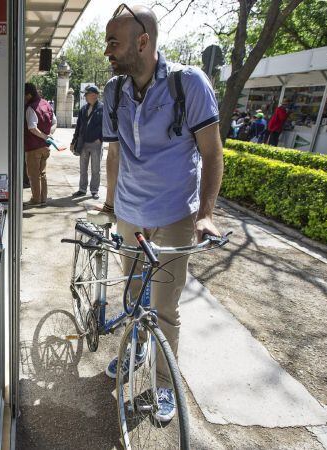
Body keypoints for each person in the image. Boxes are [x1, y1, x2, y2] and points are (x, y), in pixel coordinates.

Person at [101, 4, 222, 422]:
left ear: (143, 42)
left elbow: (211, 152)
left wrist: (206, 213)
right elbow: (114, 153)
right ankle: (134, 351)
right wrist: (110, 202)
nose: (107, 52)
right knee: (134, 297)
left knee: (165, 308)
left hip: (173, 215)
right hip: (130, 214)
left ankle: (164, 386)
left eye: (113, 43)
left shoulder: (188, 84)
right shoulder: (113, 91)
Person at [70, 85, 104, 199]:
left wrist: (101, 138)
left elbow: (106, 126)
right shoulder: (83, 109)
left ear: (94, 95)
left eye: (87, 94)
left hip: (96, 144)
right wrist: (73, 141)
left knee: (96, 169)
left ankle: (94, 190)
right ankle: (82, 189)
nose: (85, 96)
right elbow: (78, 126)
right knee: (83, 168)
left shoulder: (103, 108)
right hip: (83, 143)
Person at [24, 82, 54, 207]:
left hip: (33, 146)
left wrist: (44, 136)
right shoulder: (46, 104)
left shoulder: (31, 108)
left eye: (24, 95)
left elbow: (32, 128)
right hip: (45, 147)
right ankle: (43, 199)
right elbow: (54, 122)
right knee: (42, 173)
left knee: (33, 174)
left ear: (29, 95)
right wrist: (49, 136)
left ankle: (36, 199)